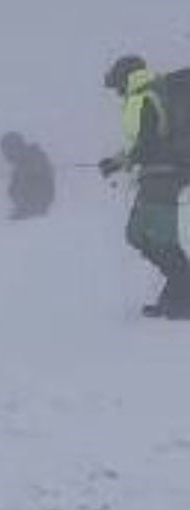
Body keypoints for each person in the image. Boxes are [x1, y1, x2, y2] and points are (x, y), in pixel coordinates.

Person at [99, 55, 190, 319]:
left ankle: (183, 296)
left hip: (164, 176)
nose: (116, 92)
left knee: (160, 240)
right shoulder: (146, 96)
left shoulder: (146, 98)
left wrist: (122, 162)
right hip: (155, 175)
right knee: (138, 235)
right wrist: (117, 161)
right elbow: (145, 142)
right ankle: (178, 292)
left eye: (116, 85)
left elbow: (148, 145)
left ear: (124, 77)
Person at [0, 131, 55, 220]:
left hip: (35, 213)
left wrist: (30, 209)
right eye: (5, 151)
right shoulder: (22, 164)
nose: (6, 155)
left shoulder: (33, 161)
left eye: (9, 150)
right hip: (28, 212)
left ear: (18, 147)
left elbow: (42, 188)